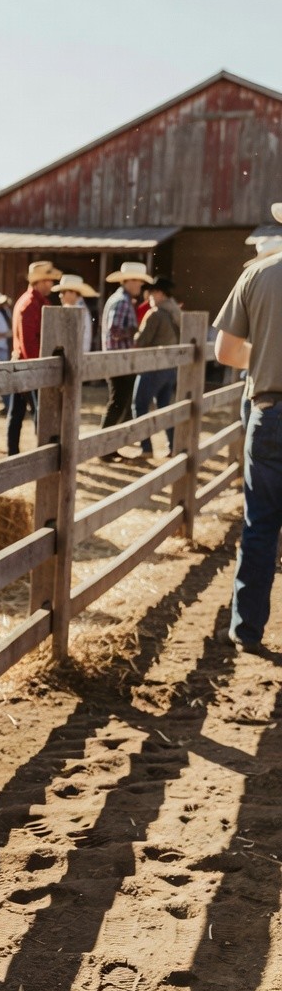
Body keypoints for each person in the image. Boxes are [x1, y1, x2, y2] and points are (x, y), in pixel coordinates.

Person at [213, 200, 282, 655]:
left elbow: (224, 350)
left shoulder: (258, 274)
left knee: (260, 524)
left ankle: (247, 629)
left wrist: (259, 363)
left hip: (271, 410)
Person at [8, 260, 61, 455]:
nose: (51, 285)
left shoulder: (36, 302)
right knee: (39, 411)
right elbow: (29, 343)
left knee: (19, 413)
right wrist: (40, 369)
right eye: (48, 281)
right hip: (29, 366)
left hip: (26, 364)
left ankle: (13, 453)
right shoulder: (30, 305)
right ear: (39, 281)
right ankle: (41, 452)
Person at [100, 261, 153, 451]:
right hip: (118, 360)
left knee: (120, 403)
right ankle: (105, 447)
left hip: (118, 359)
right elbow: (114, 330)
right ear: (128, 281)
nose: (139, 285)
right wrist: (135, 331)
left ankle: (109, 446)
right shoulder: (122, 302)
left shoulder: (122, 300)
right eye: (137, 281)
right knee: (118, 403)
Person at [132, 277, 180, 457]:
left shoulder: (155, 314)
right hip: (170, 368)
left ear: (159, 293)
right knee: (164, 407)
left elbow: (142, 341)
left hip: (154, 366)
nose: (149, 296)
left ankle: (146, 448)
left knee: (140, 405)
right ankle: (174, 445)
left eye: (152, 292)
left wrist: (134, 333)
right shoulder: (174, 312)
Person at [51, 274, 96, 354]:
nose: (60, 295)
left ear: (73, 293)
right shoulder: (81, 308)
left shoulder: (75, 310)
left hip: (75, 356)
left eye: (63, 292)